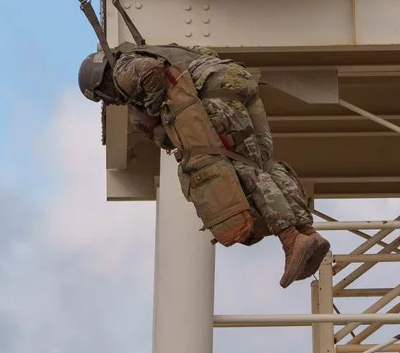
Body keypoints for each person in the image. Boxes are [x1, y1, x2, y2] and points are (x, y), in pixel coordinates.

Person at [80, 44, 332, 287]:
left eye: (104, 98)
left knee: (238, 165)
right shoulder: (155, 50)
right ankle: (308, 233)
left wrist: (159, 107)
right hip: (237, 80)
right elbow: (203, 53)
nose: (111, 102)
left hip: (215, 91)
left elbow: (150, 72)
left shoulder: (122, 71)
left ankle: (290, 239)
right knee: (263, 164)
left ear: (101, 84)